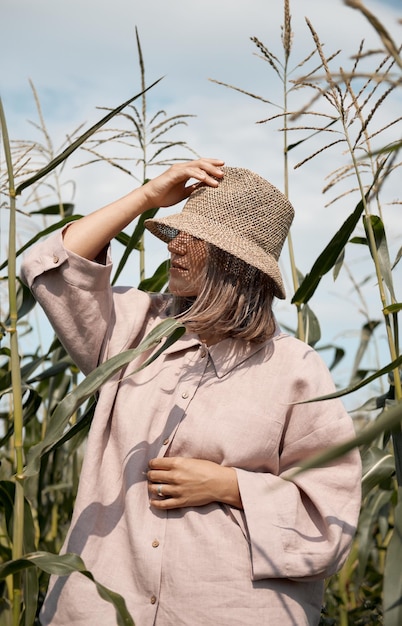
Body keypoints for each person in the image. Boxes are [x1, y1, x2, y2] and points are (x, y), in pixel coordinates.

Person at [21, 158, 361, 626]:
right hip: (100, 608)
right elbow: (50, 267)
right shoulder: (134, 330)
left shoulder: (295, 368)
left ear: (236, 263)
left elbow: (332, 512)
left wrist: (231, 485)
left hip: (229, 611)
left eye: (193, 237)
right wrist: (147, 196)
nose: (174, 245)